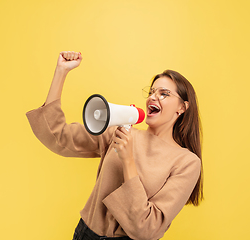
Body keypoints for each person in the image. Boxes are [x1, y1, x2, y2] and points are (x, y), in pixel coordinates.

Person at [26, 51, 204, 240]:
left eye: (164, 94)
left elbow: (147, 230)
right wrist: (61, 72)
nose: (153, 97)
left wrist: (128, 160)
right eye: (151, 92)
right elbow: (58, 136)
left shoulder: (187, 162)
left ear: (182, 107)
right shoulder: (119, 133)